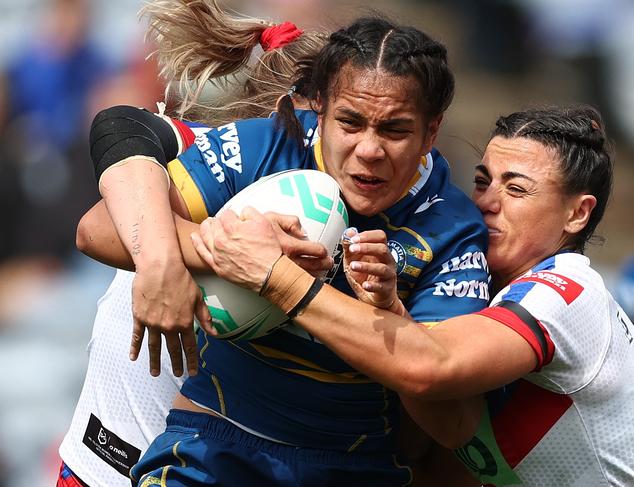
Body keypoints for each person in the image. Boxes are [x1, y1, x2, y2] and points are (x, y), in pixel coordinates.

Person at [79, 13, 490, 487]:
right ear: (320, 107)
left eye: (395, 130)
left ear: (431, 131)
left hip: (352, 465)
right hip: (214, 445)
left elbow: (454, 424)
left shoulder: (452, 228)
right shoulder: (270, 146)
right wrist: (215, 249)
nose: (370, 150)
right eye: (350, 123)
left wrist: (391, 312)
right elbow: (96, 230)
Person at [193, 104, 634, 486]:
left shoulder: (567, 293)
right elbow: (453, 427)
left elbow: (430, 367)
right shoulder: (498, 297)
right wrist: (391, 314)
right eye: (483, 181)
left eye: (516, 189)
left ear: (578, 213)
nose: (487, 202)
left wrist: (276, 278)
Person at [57, 1, 331, 485]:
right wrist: (168, 257)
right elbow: (117, 132)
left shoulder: (354, 214)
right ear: (279, 112)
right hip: (105, 463)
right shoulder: (210, 156)